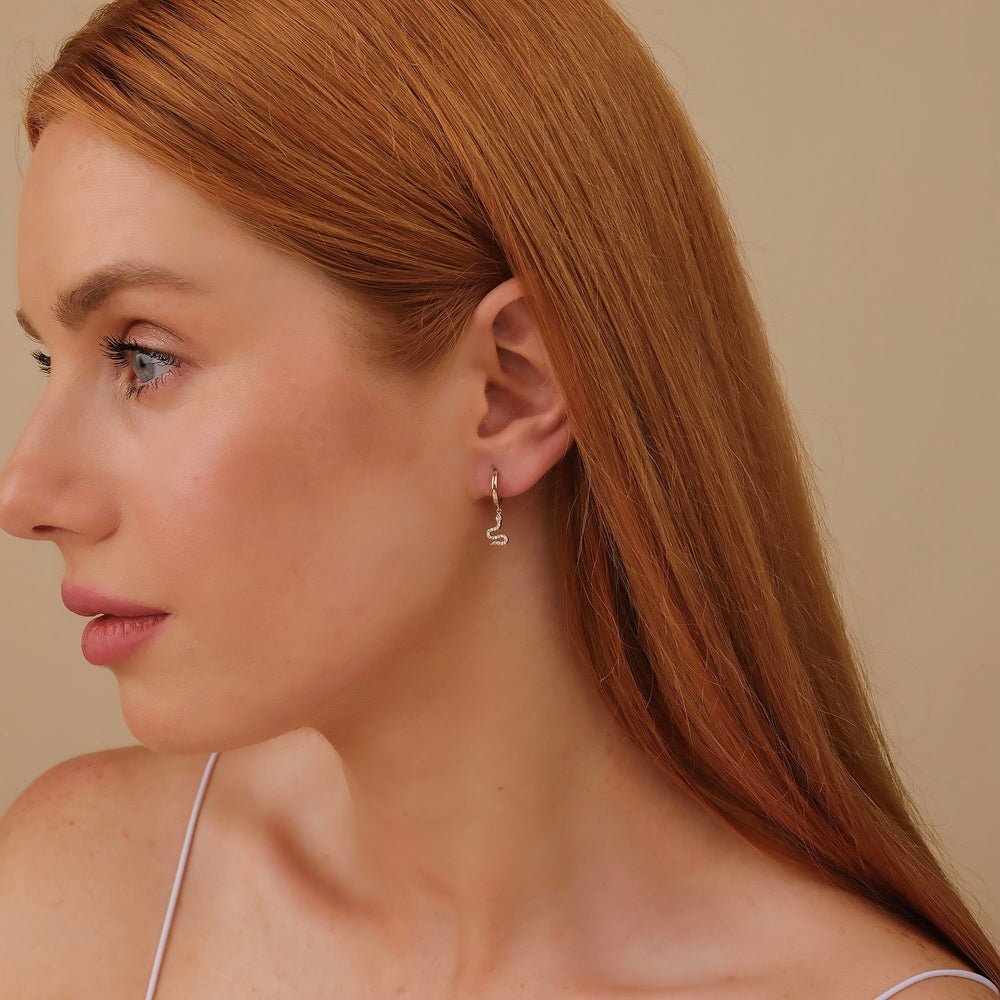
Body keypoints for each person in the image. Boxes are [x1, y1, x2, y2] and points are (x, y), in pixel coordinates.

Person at [0, 0, 996, 997]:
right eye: (50, 358)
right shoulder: (74, 899)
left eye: (143, 357)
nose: (25, 494)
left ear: (510, 391)